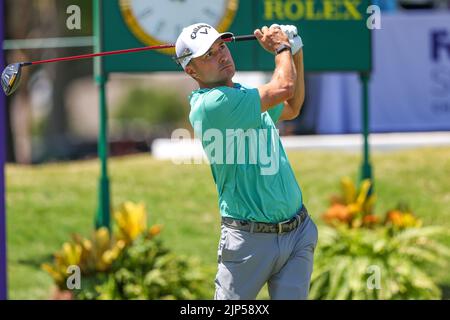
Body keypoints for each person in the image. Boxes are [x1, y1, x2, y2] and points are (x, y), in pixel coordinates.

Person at [175, 23, 318, 300]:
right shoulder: (212, 105)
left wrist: (295, 49)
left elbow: (292, 106)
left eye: (222, 47)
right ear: (190, 71)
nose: (222, 56)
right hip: (248, 241)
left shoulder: (243, 94)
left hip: (297, 232)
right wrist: (281, 47)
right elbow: (285, 86)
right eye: (209, 55)